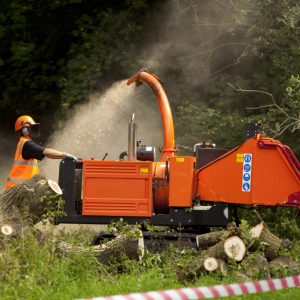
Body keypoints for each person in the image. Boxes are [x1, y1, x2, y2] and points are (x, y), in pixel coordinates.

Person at [6, 115, 78, 190]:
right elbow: (46, 152)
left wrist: (63, 156)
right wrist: (64, 154)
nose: (34, 130)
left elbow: (48, 155)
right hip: (18, 188)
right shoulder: (27, 145)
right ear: (25, 130)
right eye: (31, 128)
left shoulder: (24, 143)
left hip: (19, 187)